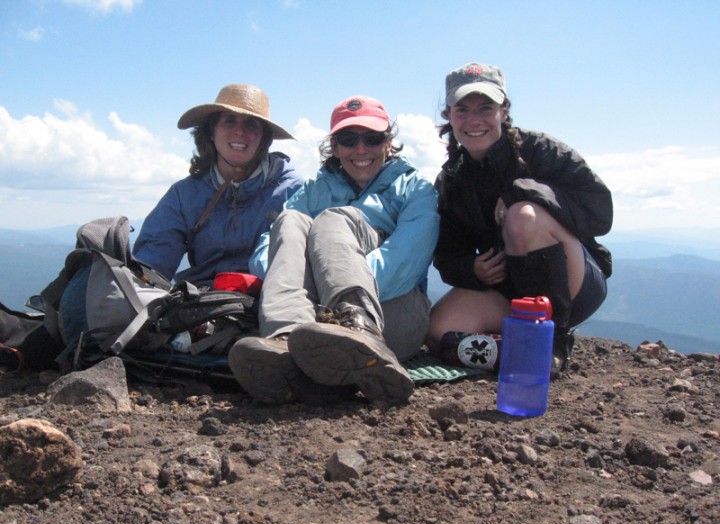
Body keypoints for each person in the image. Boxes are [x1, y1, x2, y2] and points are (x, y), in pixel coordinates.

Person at [228, 95, 439, 405]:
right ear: (335, 146)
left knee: (333, 220)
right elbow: (266, 252)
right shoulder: (316, 189)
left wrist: (322, 286)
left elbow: (403, 265)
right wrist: (317, 294)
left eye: (372, 138)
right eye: (348, 139)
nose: (361, 148)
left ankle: (360, 328)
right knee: (289, 221)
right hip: (315, 319)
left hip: (394, 311)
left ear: (388, 141)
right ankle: (286, 339)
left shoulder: (415, 190)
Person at [427, 62, 613, 374]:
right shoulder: (452, 179)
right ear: (449, 115)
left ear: (504, 110)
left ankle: (553, 342)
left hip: (572, 286)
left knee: (523, 217)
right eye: (462, 110)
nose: (474, 120)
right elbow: (446, 254)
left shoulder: (542, 151)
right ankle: (516, 350)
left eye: (486, 107)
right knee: (439, 330)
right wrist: (472, 270)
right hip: (510, 292)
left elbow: (600, 212)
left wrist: (523, 191)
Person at [133, 84, 304, 287]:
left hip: (272, 303)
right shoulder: (184, 195)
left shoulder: (293, 191)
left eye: (251, 125)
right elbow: (151, 264)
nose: (239, 131)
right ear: (211, 132)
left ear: (263, 139)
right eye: (229, 121)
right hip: (200, 303)